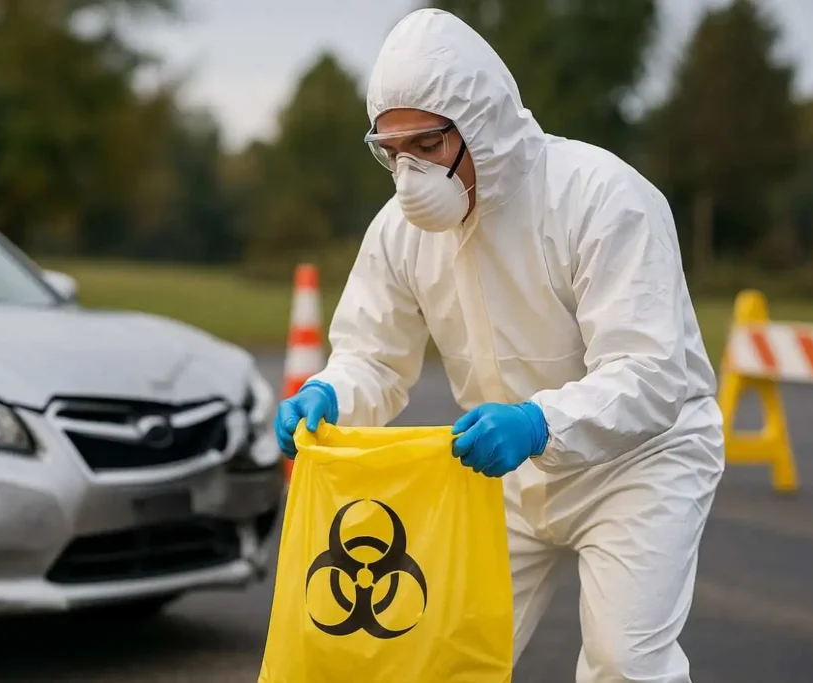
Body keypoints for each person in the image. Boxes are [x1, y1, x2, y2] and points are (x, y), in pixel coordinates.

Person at [273, 8, 724, 683]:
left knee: (625, 661)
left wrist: (542, 421)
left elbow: (650, 371)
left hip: (641, 461)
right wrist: (328, 394)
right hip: (507, 471)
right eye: (392, 152)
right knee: (445, 654)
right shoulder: (400, 232)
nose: (408, 173)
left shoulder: (601, 198)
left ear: (477, 122)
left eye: (426, 145)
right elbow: (372, 353)